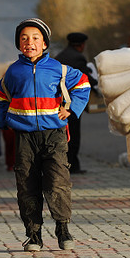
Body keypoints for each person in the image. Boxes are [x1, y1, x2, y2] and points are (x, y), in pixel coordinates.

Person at [0, 18, 90, 251]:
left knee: (58, 182)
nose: (30, 42)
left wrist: (72, 108)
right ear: (19, 44)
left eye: (36, 38)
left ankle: (63, 228)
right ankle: (34, 234)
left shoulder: (59, 69)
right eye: (24, 38)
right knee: (27, 185)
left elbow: (83, 84)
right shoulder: (13, 72)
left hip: (54, 135)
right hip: (24, 138)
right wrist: (6, 120)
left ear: (45, 44)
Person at [55, 32, 97, 174]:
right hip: (72, 103)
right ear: (81, 45)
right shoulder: (78, 58)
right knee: (73, 135)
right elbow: (86, 78)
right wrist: (97, 83)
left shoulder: (59, 57)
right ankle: (72, 165)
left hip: (58, 102)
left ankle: (68, 163)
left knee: (63, 134)